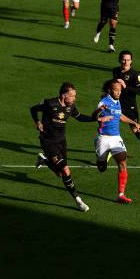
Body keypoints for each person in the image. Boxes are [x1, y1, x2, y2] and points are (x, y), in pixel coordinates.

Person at [30, 82, 108, 212]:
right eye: (72, 96)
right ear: (64, 95)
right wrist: (38, 122)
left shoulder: (70, 107)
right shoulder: (50, 104)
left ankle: (44, 160)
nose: (74, 99)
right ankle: (78, 200)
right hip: (48, 141)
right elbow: (33, 109)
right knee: (65, 170)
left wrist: (97, 119)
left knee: (60, 174)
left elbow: (80, 117)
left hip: (61, 142)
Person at [95, 80, 140, 204]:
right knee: (101, 168)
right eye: (116, 90)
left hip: (116, 137)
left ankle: (121, 195)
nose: (119, 93)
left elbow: (120, 116)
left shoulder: (117, 102)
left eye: (120, 90)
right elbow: (94, 117)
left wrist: (134, 122)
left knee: (122, 161)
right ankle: (102, 160)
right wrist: (100, 115)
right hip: (103, 138)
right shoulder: (103, 102)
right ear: (110, 90)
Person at [112, 50, 140, 156]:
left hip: (130, 105)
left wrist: (125, 86)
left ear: (131, 61)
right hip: (117, 103)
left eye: (128, 60)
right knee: (112, 124)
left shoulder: (135, 74)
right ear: (119, 60)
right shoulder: (115, 71)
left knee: (134, 128)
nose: (125, 62)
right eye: (123, 59)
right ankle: (112, 148)